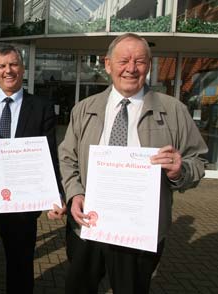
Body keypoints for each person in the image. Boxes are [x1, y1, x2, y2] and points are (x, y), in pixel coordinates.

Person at [53, 33, 208, 294]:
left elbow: (198, 162)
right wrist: (74, 193)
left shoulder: (174, 111)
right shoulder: (84, 108)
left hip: (138, 234)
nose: (131, 68)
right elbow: (67, 157)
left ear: (148, 65)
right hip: (88, 226)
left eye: (139, 61)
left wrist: (180, 170)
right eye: (123, 60)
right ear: (108, 64)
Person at [0, 45, 64, 294]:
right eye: (2, 66)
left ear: (22, 68)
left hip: (22, 206)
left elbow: (50, 154)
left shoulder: (41, 106)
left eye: (13, 64)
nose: (8, 70)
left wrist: (55, 194)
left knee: (20, 267)